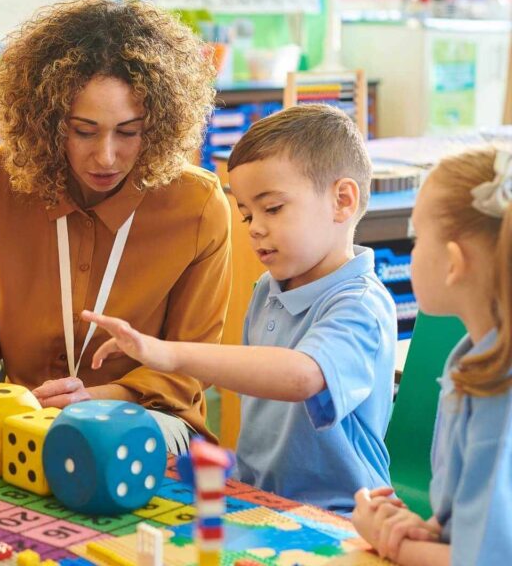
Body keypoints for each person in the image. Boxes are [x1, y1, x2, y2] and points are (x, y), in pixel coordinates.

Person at [0, 0, 228, 453]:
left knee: (90, 447)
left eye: (129, 131)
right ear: (44, 121)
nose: (105, 156)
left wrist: (96, 399)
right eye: (83, 130)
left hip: (149, 419)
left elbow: (190, 365)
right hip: (25, 417)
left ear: (160, 124)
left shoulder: (195, 205)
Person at [84, 105, 397, 513]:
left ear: (342, 201)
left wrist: (170, 353)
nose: (254, 228)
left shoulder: (359, 303)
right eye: (246, 213)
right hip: (260, 500)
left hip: (341, 512)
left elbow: (302, 376)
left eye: (272, 208)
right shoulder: (268, 288)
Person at [352, 147, 512, 565]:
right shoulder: (471, 359)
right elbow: (477, 529)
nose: (411, 254)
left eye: (417, 239)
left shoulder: (498, 389)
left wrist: (392, 542)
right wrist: (434, 532)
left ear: (454, 263)